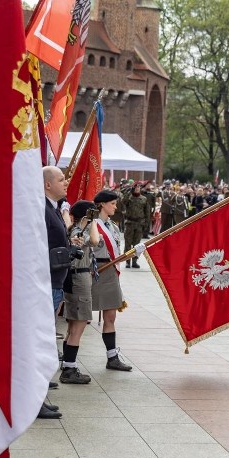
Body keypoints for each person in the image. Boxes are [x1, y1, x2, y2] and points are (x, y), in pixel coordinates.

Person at [42, 165, 75, 418]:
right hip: (45, 281)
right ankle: (36, 397)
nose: (66, 183)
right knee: (42, 338)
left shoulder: (53, 208)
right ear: (47, 185)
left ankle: (40, 389)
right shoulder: (42, 209)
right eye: (61, 179)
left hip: (55, 279)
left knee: (47, 335)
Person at [91, 190, 132, 372]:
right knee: (80, 319)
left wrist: (132, 253)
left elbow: (115, 254)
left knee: (110, 317)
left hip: (111, 272)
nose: (115, 207)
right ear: (102, 204)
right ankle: (69, 360)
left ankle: (112, 357)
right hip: (95, 271)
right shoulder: (92, 224)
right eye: (112, 204)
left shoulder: (113, 226)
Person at [60, 200, 100, 385]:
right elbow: (95, 241)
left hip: (76, 277)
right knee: (79, 324)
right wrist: (91, 222)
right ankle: (69, 368)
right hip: (79, 278)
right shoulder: (79, 231)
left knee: (73, 325)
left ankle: (67, 364)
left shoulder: (75, 229)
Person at [121, 184, 150, 269]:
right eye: (136, 188)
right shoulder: (129, 198)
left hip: (139, 223)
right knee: (128, 244)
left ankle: (134, 261)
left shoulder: (144, 199)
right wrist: (128, 192)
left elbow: (147, 212)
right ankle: (127, 261)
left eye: (138, 188)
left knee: (137, 245)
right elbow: (123, 201)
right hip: (129, 223)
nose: (137, 189)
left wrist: (146, 225)